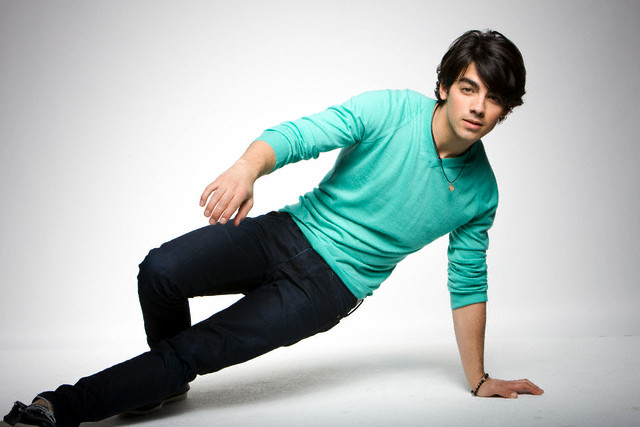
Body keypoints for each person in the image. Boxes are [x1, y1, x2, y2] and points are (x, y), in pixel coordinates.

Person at [2, 29, 543, 427]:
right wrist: (247, 168)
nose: (478, 107)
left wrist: (478, 378)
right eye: (469, 88)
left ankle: (58, 408)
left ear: (505, 111)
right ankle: (160, 383)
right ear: (445, 86)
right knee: (160, 270)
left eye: (494, 99)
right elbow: (303, 134)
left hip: (328, 289)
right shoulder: (392, 110)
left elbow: (467, 282)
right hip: (287, 231)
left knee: (194, 348)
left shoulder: (481, 194)